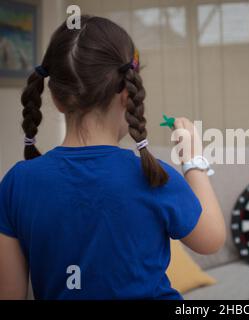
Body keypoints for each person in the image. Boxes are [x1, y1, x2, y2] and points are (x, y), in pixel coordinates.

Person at [0, 15, 225, 300]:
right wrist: (194, 161)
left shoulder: (17, 182)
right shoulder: (153, 176)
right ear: (127, 94)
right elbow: (211, 239)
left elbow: (9, 294)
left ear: (55, 98)